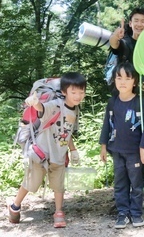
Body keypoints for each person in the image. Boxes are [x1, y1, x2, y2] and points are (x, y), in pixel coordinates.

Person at [8, 72, 87, 228]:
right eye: (74, 92)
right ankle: (15, 206)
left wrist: (73, 150)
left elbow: (67, 131)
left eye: (81, 92)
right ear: (64, 92)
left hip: (59, 155)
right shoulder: (55, 105)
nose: (78, 96)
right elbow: (42, 109)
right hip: (41, 154)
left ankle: (58, 212)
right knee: (31, 183)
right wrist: (35, 102)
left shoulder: (75, 110)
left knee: (58, 185)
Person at [109, 8, 144, 191]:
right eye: (136, 20)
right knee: (130, 135)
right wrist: (116, 36)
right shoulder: (125, 42)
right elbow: (115, 47)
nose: (139, 24)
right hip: (128, 100)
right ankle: (130, 178)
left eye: (143, 21)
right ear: (131, 23)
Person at [99, 62, 144, 229]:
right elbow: (106, 125)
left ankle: (136, 213)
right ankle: (122, 212)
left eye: (127, 78)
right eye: (119, 77)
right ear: (114, 80)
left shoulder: (140, 102)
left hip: (134, 151)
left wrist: (143, 148)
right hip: (116, 150)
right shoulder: (112, 102)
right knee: (120, 183)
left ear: (134, 81)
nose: (123, 81)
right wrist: (103, 145)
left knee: (136, 184)